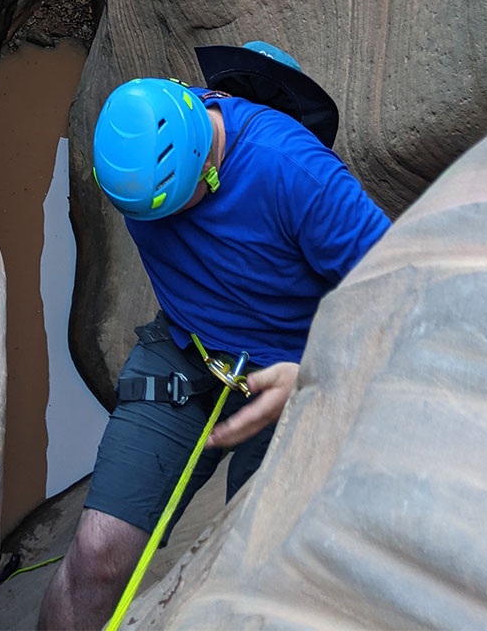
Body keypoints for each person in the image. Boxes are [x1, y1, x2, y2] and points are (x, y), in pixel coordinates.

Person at [38, 64, 390, 631]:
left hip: (292, 382)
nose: (171, 225)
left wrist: (314, 370)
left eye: (181, 206)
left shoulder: (296, 174)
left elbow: (400, 291)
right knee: (95, 558)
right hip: (187, 352)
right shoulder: (139, 145)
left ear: (207, 162)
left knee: (253, 572)